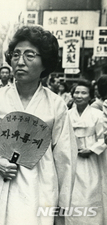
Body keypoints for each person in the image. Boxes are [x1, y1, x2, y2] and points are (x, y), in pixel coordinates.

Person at [0, 25, 77, 225]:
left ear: (45, 62)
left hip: (39, 185)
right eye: (16, 54)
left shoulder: (56, 105)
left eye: (29, 55)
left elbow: (65, 159)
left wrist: (62, 209)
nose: (20, 62)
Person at [67, 79, 106, 224]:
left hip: (91, 161)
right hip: (72, 159)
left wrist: (91, 149)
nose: (79, 95)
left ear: (90, 96)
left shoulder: (98, 115)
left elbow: (103, 139)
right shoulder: (67, 114)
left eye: (83, 93)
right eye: (76, 92)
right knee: (73, 194)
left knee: (90, 191)